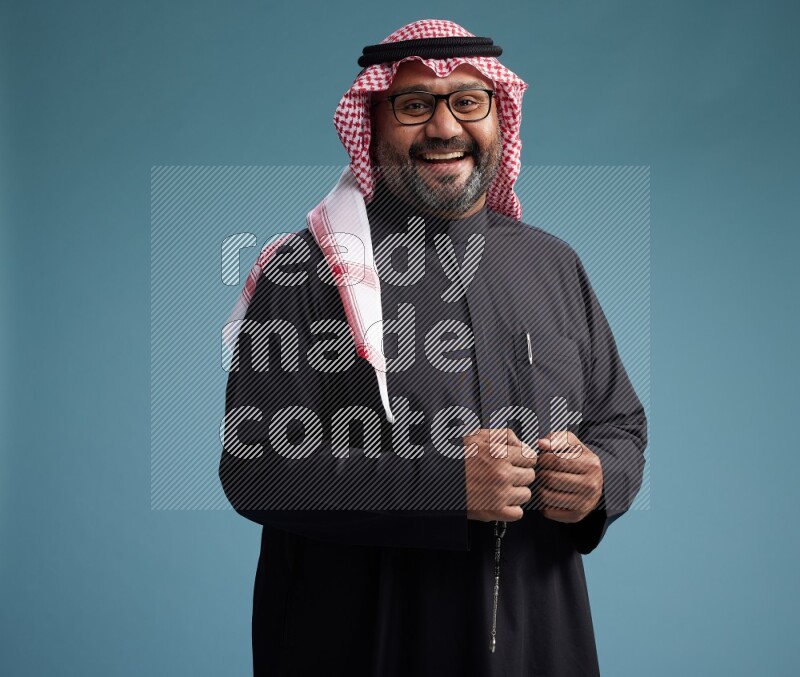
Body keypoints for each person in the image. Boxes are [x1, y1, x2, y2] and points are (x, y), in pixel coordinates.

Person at [220, 19, 647, 677]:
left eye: (466, 102)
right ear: (373, 121)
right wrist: (445, 484)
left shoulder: (553, 265)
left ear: (498, 117)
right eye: (415, 105)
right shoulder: (306, 273)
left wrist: (600, 480)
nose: (445, 128)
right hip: (363, 644)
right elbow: (258, 469)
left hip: (541, 642)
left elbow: (620, 425)